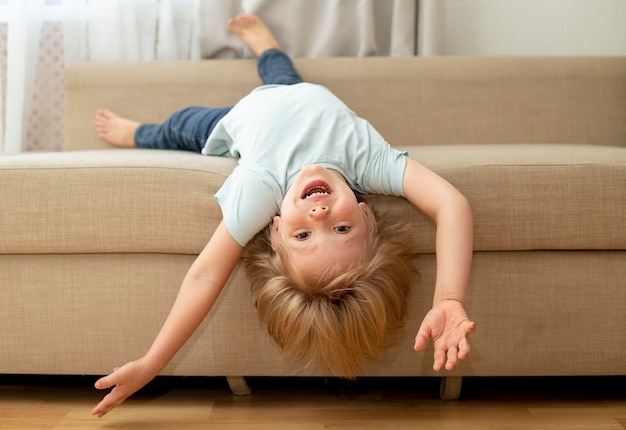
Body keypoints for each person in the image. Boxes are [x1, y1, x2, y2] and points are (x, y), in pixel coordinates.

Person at [91, 14, 476, 419]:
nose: (320, 212)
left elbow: (205, 274)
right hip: (295, 90)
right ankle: (266, 47)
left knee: (179, 125)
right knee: (279, 68)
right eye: (341, 228)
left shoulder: (261, 187)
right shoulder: (370, 161)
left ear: (274, 231)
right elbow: (451, 204)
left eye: (303, 236)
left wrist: (153, 363)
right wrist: (449, 298)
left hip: (236, 119)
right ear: (369, 217)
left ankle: (136, 132)